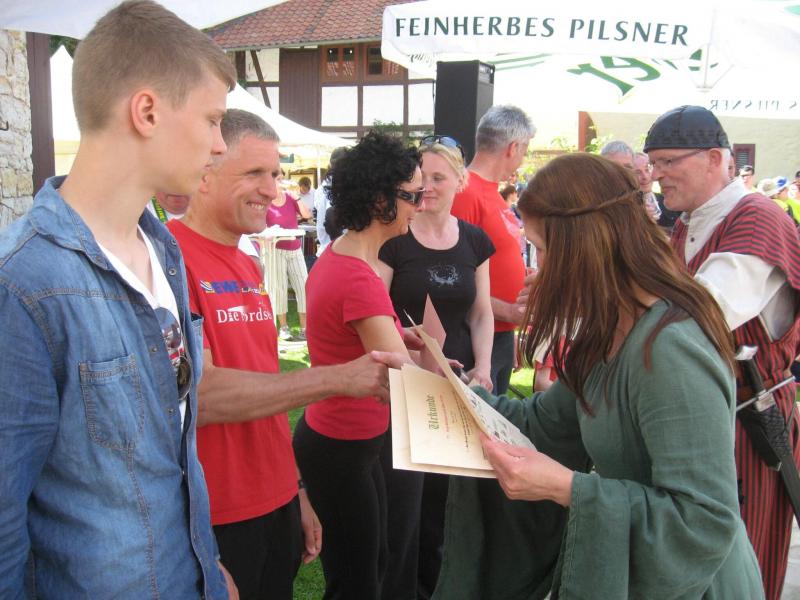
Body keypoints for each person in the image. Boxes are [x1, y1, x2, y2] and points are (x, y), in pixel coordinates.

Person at [430, 152, 764, 599]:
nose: (537, 269)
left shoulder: (671, 350)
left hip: (695, 586)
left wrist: (568, 488)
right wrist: (438, 386)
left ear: (583, 247)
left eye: (542, 249)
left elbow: (703, 523)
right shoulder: (609, 330)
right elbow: (542, 425)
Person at [0, 1, 238, 596]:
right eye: (212, 120)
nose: (220, 145)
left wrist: (205, 567)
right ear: (147, 111)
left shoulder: (163, 249)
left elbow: (166, 452)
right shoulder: (24, 283)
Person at [168, 109, 392, 599]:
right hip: (216, 515)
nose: (273, 191)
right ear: (205, 172)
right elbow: (201, 395)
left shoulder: (246, 262)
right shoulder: (171, 263)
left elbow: (265, 382)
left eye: (275, 173)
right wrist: (337, 378)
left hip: (275, 502)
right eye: (255, 173)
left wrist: (296, 490)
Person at [644, 104, 800, 600]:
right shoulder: (690, 223)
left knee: (743, 563)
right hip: (701, 415)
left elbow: (701, 313)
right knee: (695, 567)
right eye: (653, 163)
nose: (657, 175)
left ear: (715, 158)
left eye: (669, 161)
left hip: (746, 421)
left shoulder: (757, 218)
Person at [294, 131, 423, 599]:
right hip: (341, 446)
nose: (420, 206)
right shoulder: (358, 277)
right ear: (380, 200)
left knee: (369, 564)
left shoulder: (342, 256)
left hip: (345, 440)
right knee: (358, 581)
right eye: (413, 196)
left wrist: (401, 338)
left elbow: (353, 337)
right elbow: (401, 380)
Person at [377, 135, 495, 599]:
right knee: (408, 501)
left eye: (438, 177)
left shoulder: (475, 241)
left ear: (460, 182)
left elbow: (481, 313)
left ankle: (438, 586)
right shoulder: (394, 241)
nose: (426, 186)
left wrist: (484, 366)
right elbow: (377, 310)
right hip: (405, 386)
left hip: (459, 385)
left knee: (448, 500)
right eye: (420, 178)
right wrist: (410, 361)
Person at [450, 105, 535, 395]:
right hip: (473, 340)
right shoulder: (465, 192)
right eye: (525, 150)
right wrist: (508, 311)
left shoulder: (491, 192)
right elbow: (453, 277)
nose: (522, 159)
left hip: (497, 335)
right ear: (513, 147)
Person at [267, 172, 312, 341]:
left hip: (295, 249)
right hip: (275, 250)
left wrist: (297, 197)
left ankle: (304, 329)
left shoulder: (291, 198)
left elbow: (307, 215)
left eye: (281, 179)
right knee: (278, 289)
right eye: (278, 179)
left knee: (304, 287)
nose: (281, 182)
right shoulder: (266, 201)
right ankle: (284, 328)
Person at [314, 147, 347, 256]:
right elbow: (331, 217)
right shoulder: (339, 186)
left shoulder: (321, 188)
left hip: (326, 249)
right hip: (338, 250)